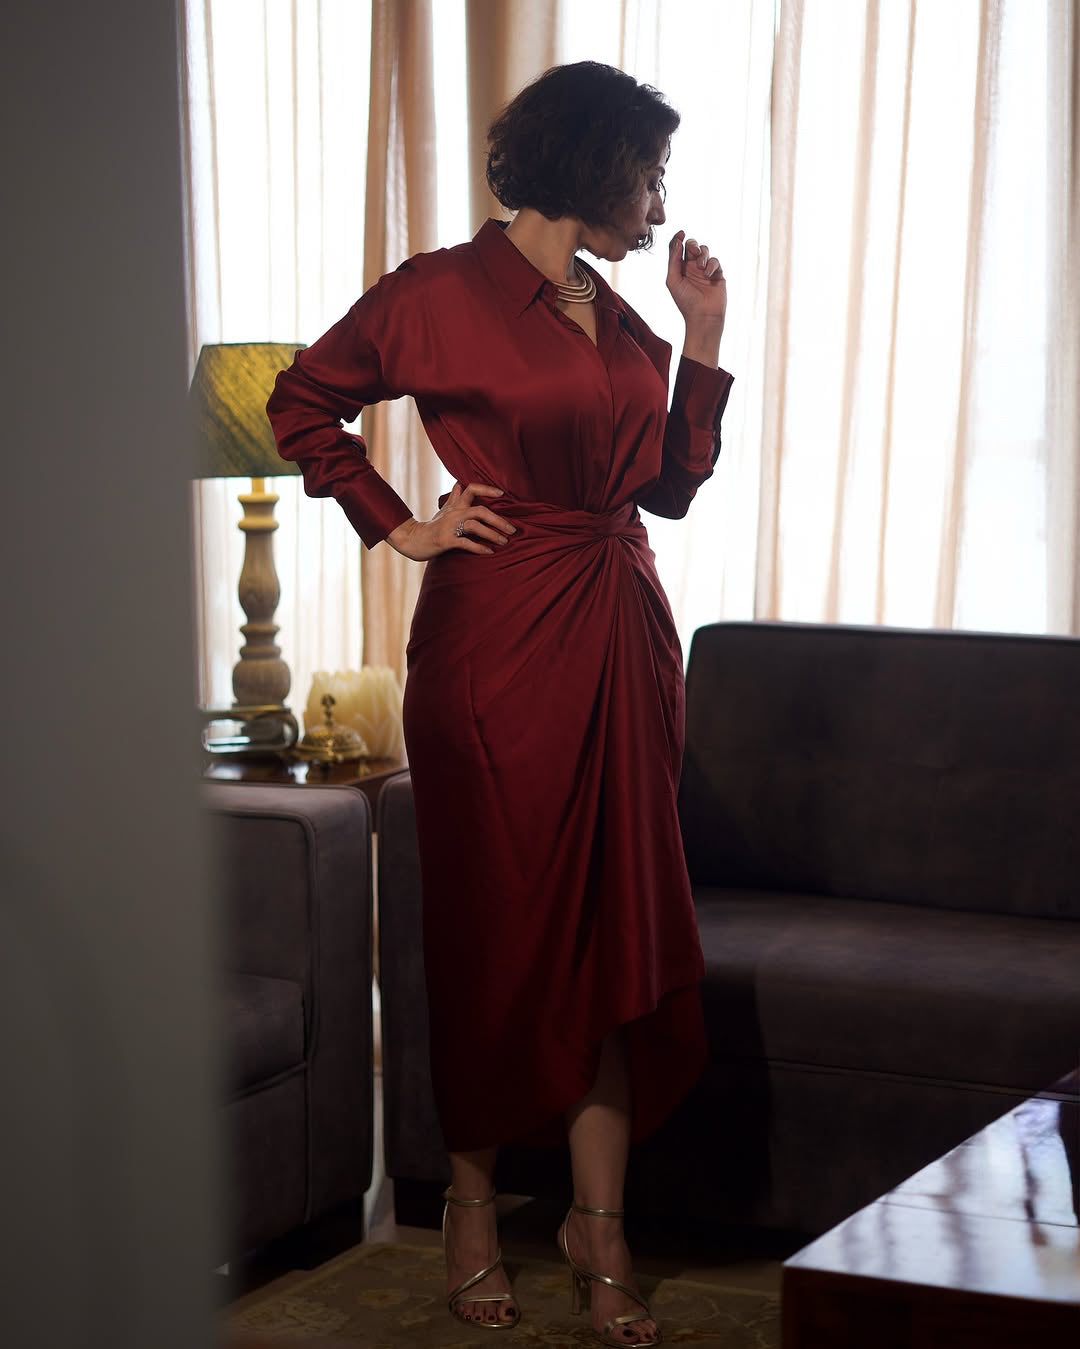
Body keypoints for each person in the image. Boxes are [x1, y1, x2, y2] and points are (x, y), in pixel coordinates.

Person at [266, 59, 732, 1348]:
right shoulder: (436, 294)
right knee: (493, 926)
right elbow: (302, 401)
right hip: (497, 644)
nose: (658, 205)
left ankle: (599, 1232)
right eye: (648, 176)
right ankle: (469, 1212)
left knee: (615, 930)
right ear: (592, 164)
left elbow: (670, 487)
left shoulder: (614, 311)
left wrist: (701, 339)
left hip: (622, 635)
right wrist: (398, 524)